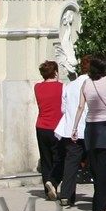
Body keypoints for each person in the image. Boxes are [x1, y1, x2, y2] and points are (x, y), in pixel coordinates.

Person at [76, 55, 106, 211]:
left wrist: (75, 128)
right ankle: (100, 205)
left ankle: (100, 203)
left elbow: (81, 107)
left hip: (90, 127)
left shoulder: (85, 83)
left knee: (95, 166)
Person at [54, 66, 88, 209]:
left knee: (71, 163)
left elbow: (63, 108)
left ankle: (66, 195)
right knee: (97, 162)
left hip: (70, 130)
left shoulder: (70, 85)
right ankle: (102, 195)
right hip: (88, 128)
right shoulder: (92, 84)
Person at [33, 61, 64, 202]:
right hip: (57, 127)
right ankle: (53, 181)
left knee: (46, 160)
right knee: (60, 158)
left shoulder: (37, 87)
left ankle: (48, 190)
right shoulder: (62, 87)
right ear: (56, 72)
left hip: (41, 126)